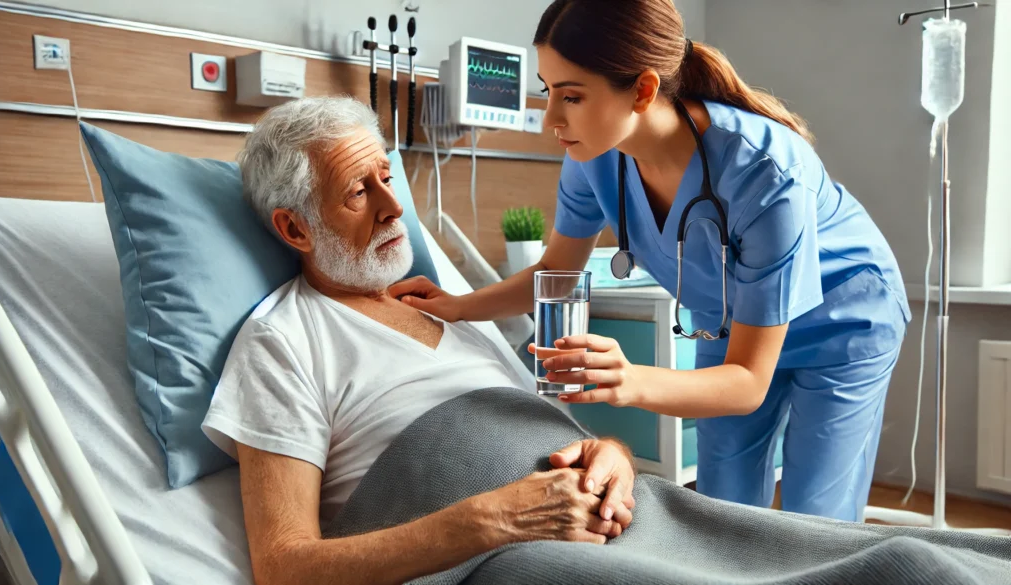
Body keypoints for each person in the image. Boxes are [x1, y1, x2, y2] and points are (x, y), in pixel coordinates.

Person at [389, 0, 912, 523]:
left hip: (844, 322)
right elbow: (558, 274)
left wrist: (629, 378)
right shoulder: (591, 155)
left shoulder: (765, 172)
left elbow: (748, 383)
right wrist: (457, 306)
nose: (550, 118)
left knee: (816, 517)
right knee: (722, 510)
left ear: (642, 89)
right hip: (730, 324)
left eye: (571, 96)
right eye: (548, 92)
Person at [200, 96, 637, 585]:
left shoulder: (448, 310)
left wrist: (613, 456)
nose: (394, 207)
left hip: (624, 523)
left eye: (386, 178)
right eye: (357, 193)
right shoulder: (282, 341)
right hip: (521, 564)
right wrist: (494, 520)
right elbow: (284, 567)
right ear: (295, 227)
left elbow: (555, 433)